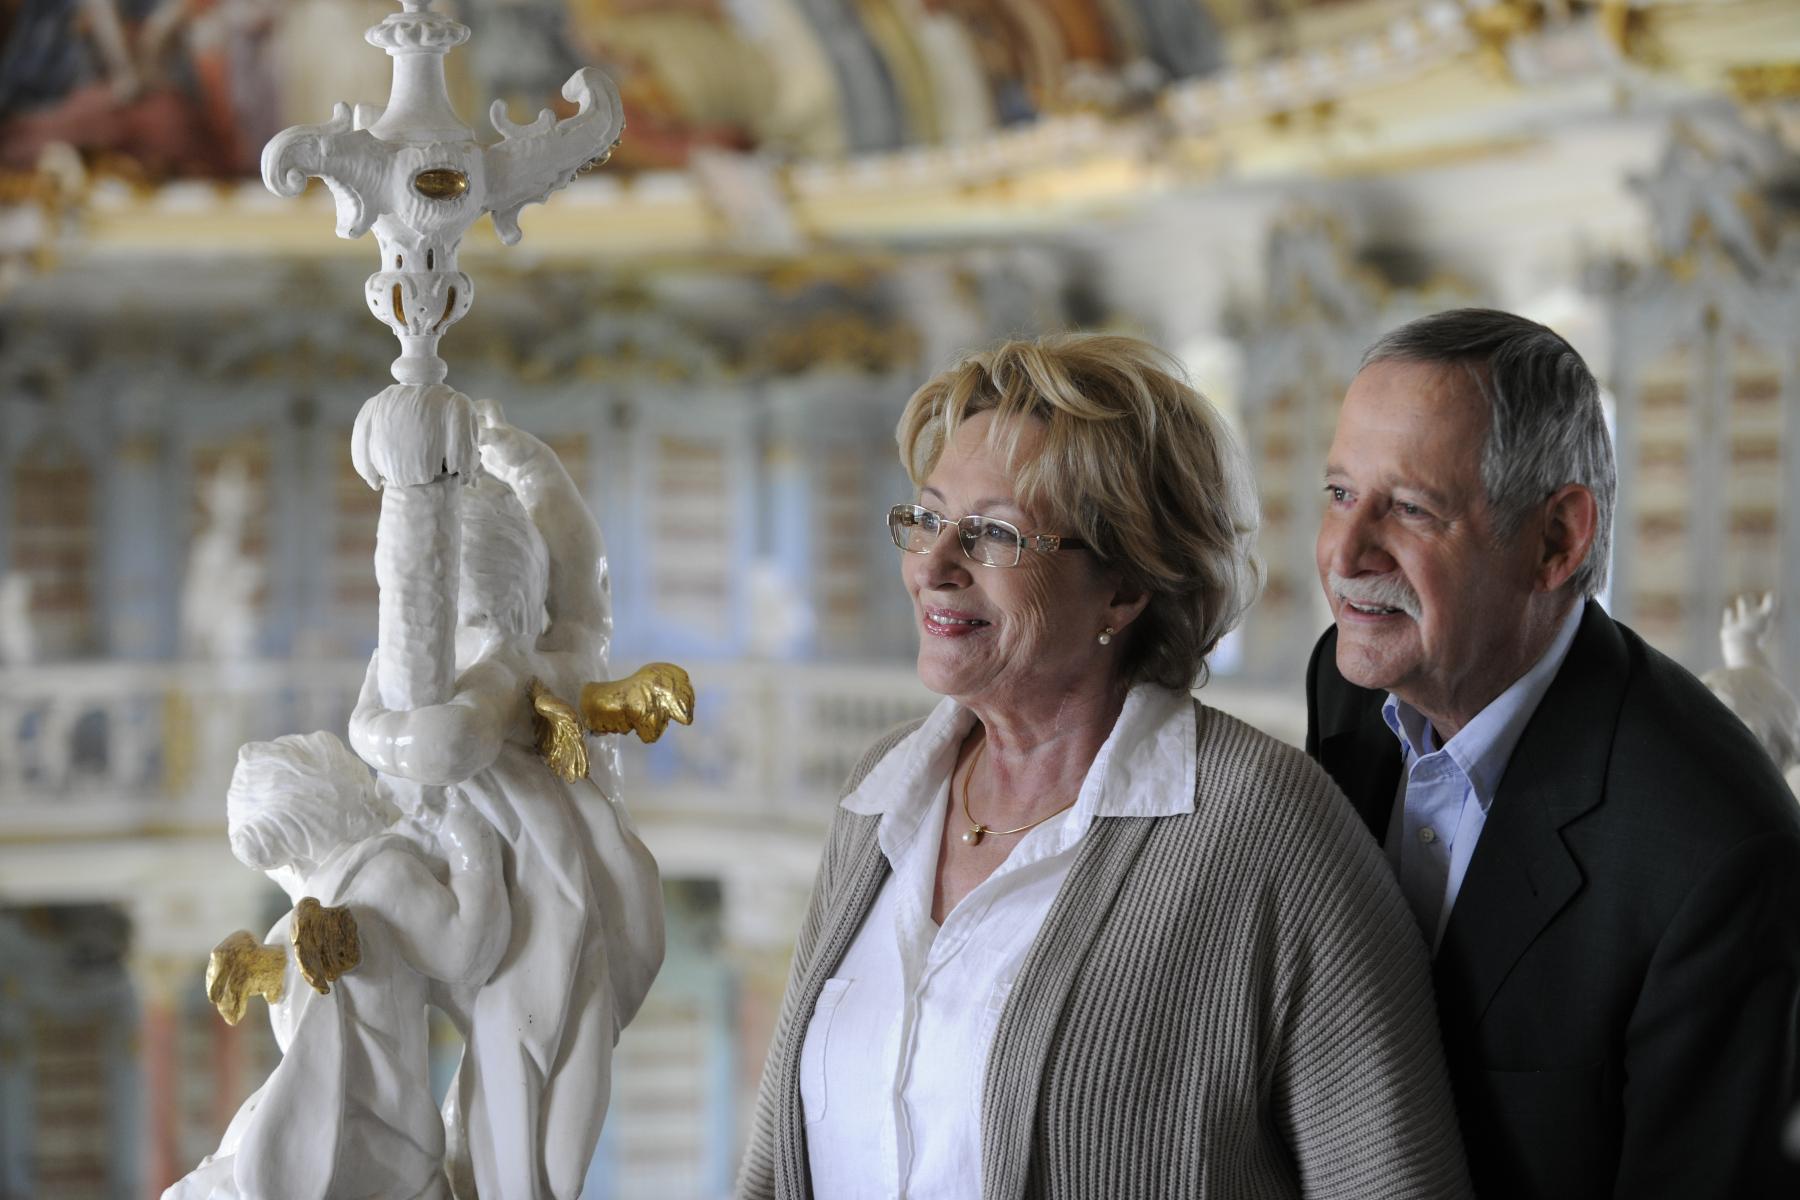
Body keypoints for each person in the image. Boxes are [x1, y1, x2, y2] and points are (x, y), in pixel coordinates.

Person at [739, 333, 1473, 1198]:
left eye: (994, 536)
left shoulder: (1267, 831)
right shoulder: (883, 791)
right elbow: (777, 1166)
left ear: (1124, 589)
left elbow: (1393, 1183)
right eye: (929, 518)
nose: (935, 566)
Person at [1306, 307, 1800, 1198]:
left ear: (1557, 540)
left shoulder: (1716, 856)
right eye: (1340, 493)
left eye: (1410, 508)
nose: (1342, 553)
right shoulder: (1351, 678)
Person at [349, 403, 664, 1200]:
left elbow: (581, 569)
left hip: (550, 913)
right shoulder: (482, 666)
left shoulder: (516, 668)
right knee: (533, 1111)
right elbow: (581, 566)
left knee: (535, 1111)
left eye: (486, 614)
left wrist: (527, 467)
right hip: (514, 902)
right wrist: (527, 465)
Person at [165, 730, 508, 1200]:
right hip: (387, 1136)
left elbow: (299, 1041)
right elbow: (469, 952)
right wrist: (472, 843)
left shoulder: (282, 932)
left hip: (311, 1124)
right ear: (340, 807)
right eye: (363, 789)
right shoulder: (384, 877)